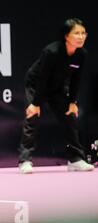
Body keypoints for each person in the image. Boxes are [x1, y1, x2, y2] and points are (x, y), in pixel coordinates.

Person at [18, 18, 95, 174]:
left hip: (57, 88)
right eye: (76, 33)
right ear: (66, 36)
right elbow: (42, 78)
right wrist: (35, 103)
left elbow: (76, 79)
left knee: (70, 116)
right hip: (36, 85)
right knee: (32, 117)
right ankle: (25, 161)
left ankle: (75, 159)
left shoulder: (81, 54)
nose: (81, 37)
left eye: (83, 33)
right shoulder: (51, 51)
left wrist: (73, 102)